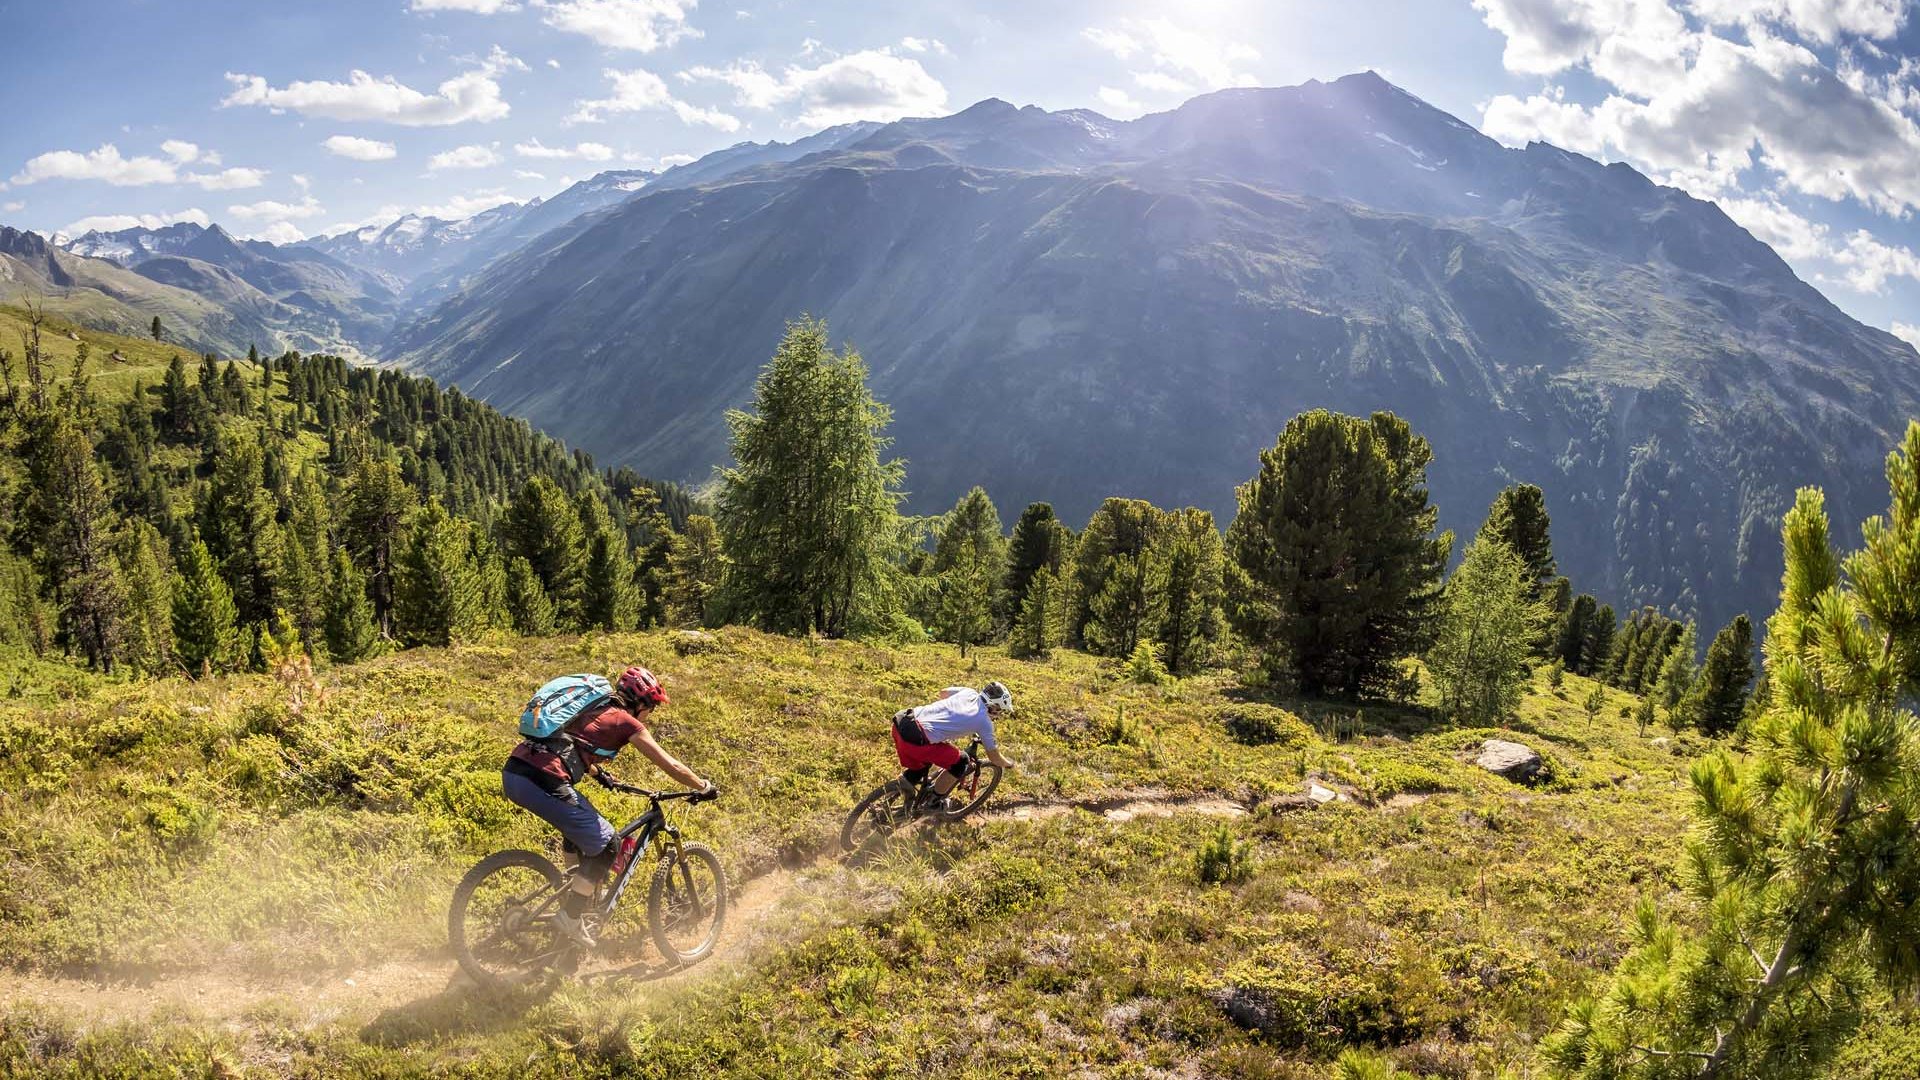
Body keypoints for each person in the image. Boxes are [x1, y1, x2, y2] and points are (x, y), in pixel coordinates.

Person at [502, 665, 715, 948]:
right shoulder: (625, 722)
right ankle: (570, 916)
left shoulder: (592, 708)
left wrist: (597, 773)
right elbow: (671, 765)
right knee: (608, 844)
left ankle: (576, 895)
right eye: (651, 708)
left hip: (515, 773)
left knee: (582, 829)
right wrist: (703, 786)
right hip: (542, 780)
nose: (650, 714)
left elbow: (567, 744)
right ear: (641, 704)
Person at [891, 681, 1014, 814]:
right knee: (961, 761)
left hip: (901, 722)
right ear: (992, 705)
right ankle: (933, 803)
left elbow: (943, 692)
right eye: (999, 710)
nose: (999, 713)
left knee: (923, 764)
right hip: (916, 741)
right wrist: (1008, 764)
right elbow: (994, 757)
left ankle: (899, 788)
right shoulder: (984, 722)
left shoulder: (969, 692)